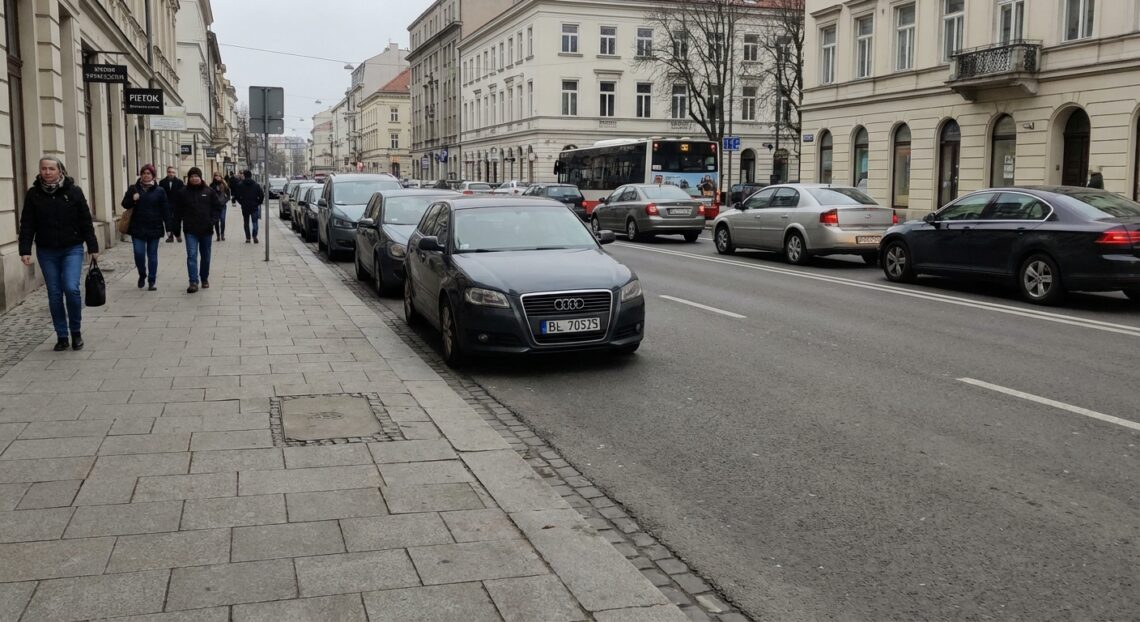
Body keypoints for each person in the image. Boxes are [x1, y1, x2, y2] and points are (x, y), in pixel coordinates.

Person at [18, 156, 99, 351]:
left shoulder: (73, 192)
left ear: (60, 171)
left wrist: (93, 247)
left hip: (72, 248)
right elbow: (27, 223)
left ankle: (76, 332)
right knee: (54, 294)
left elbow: (85, 221)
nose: (47, 172)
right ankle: (62, 335)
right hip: (47, 250)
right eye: (44, 169)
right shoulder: (34, 194)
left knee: (71, 288)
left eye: (51, 169)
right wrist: (25, 249)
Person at [174, 167, 224, 293]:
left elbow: (217, 208)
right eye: (192, 176)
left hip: (206, 230)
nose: (194, 178)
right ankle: (193, 282)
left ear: (200, 177)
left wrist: (212, 221)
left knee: (206, 256)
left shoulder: (209, 191)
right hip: (190, 230)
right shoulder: (183, 193)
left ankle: (204, 278)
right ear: (189, 178)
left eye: (196, 176)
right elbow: (177, 212)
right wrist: (176, 229)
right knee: (191, 255)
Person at [121, 163, 171, 291]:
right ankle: (142, 274)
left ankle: (152, 280)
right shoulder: (134, 188)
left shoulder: (160, 191)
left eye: (148, 173)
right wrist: (133, 199)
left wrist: (169, 227)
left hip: (154, 227)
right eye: (143, 173)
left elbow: (165, 209)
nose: (145, 175)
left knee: (152, 254)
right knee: (139, 253)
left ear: (153, 176)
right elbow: (124, 204)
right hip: (137, 227)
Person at [233, 169, 264, 243]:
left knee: (246, 222)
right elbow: (261, 195)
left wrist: (241, 202)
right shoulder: (256, 185)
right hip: (254, 206)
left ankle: (248, 238)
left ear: (244, 175)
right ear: (251, 175)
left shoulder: (240, 185)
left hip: (245, 206)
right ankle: (255, 236)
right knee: (255, 222)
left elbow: (237, 195)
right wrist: (258, 202)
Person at [160, 166, 185, 243]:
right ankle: (170, 237)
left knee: (177, 221)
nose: (171, 174)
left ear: (175, 173)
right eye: (169, 172)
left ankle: (178, 235)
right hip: (166, 205)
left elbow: (183, 194)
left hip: (177, 205)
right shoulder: (162, 182)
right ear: (167, 173)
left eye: (173, 172)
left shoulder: (180, 182)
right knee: (168, 221)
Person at [210, 172, 230, 241]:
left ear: (221, 177)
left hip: (223, 205)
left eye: (219, 176)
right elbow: (210, 195)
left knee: (222, 220)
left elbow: (228, 196)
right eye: (216, 176)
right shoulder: (212, 185)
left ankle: (222, 234)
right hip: (215, 206)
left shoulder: (224, 185)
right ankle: (218, 235)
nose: (217, 177)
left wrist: (225, 201)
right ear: (214, 177)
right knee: (216, 221)